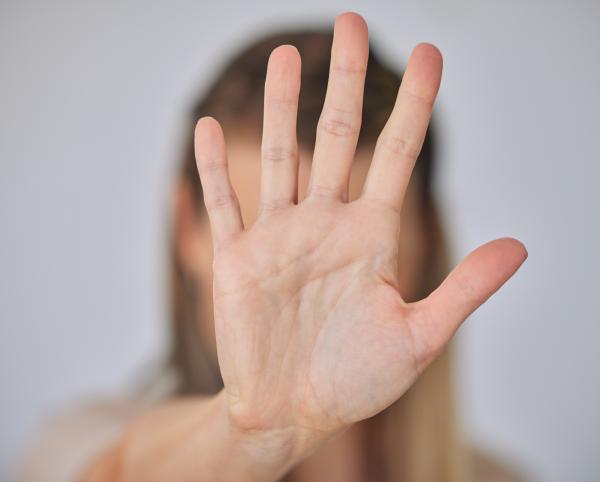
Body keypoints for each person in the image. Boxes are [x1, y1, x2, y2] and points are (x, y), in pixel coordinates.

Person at [16, 12, 528, 482]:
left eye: (352, 252)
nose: (309, 292)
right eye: (262, 236)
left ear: (428, 241)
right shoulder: (71, 447)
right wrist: (252, 432)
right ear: (186, 230)